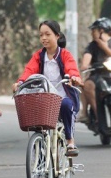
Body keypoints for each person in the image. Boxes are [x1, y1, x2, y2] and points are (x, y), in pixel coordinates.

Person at [14, 20, 83, 158]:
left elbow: (72, 69)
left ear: (57, 36)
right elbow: (29, 70)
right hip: (45, 99)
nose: (43, 38)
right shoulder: (39, 56)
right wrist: (20, 82)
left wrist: (74, 78)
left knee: (66, 104)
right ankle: (39, 163)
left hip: (62, 97)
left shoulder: (65, 55)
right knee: (39, 128)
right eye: (41, 35)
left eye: (47, 34)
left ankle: (70, 141)